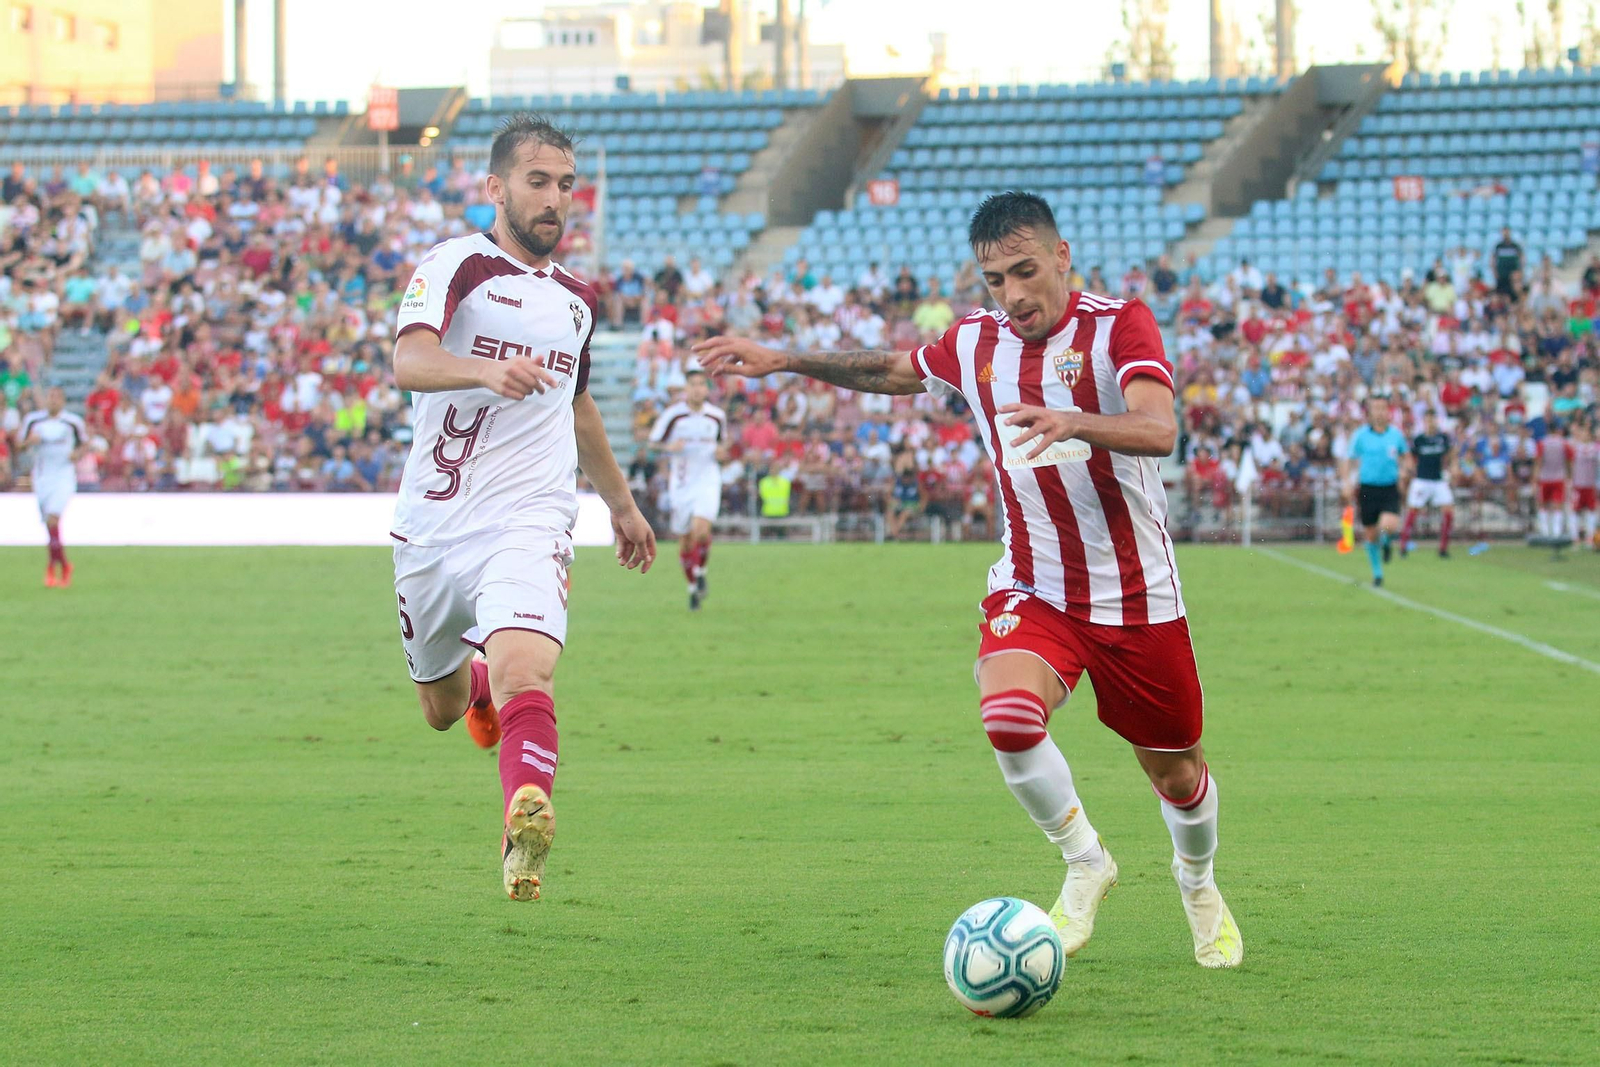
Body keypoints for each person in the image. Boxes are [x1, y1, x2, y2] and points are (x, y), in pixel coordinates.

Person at [694, 191, 1242, 969]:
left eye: (1025, 271)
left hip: (1136, 594)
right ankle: (1086, 860)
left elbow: (1159, 428)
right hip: (1034, 584)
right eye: (994, 279)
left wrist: (1075, 421)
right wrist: (783, 357)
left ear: (1061, 258)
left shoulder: (1119, 324)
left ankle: (1197, 880)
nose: (1013, 294)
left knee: (1178, 770)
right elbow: (891, 369)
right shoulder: (975, 342)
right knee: (1010, 717)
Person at [389, 113, 657, 902]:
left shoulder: (579, 299)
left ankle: (522, 821)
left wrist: (623, 505)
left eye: (566, 185)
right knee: (441, 709)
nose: (554, 199)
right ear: (496, 187)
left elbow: (579, 408)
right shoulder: (456, 264)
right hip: (434, 526)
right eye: (537, 181)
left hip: (531, 520)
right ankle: (471, 691)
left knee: (525, 667)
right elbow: (408, 359)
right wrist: (484, 370)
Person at [649, 367, 727, 610]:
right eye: (692, 385)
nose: (697, 389)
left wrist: (722, 453)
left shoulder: (716, 417)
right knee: (685, 541)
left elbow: (723, 445)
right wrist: (668, 448)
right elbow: (652, 443)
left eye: (701, 385)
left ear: (706, 389)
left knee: (701, 530)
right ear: (686, 389)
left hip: (707, 479)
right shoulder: (674, 416)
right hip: (682, 483)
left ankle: (701, 570)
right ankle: (693, 587)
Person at [21, 388, 88, 587]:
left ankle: (52, 567)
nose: (53, 401)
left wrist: (77, 454)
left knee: (53, 518)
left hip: (63, 476)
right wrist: (29, 442)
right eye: (50, 397)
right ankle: (64, 564)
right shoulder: (34, 421)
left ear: (63, 401)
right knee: (49, 525)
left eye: (57, 398)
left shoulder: (72, 422)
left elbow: (84, 444)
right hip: (42, 476)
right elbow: (20, 445)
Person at [1341, 397, 1410, 587]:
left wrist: (1404, 470)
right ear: (1370, 413)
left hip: (1389, 487)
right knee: (1371, 533)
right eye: (1376, 408)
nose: (1380, 412)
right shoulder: (1361, 435)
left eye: (1383, 408)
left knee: (1389, 524)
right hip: (1368, 488)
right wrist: (1346, 482)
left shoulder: (1396, 435)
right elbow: (1349, 459)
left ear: (1388, 411)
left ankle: (1387, 542)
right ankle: (1377, 573)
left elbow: (1406, 457)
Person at [1400, 409, 1456, 558]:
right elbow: (1410, 457)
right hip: (1422, 479)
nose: (1430, 423)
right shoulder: (1419, 440)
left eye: (1433, 419)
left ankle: (1443, 548)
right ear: (1424, 422)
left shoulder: (1442, 438)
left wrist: (1451, 466)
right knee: (1413, 511)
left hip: (1438, 480)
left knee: (1449, 511)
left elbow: (1450, 453)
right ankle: (1403, 545)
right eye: (1428, 420)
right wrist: (1409, 470)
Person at [1533, 426, 1574, 540]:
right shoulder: (1563, 443)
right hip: (1559, 477)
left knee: (1543, 504)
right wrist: (1570, 476)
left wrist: (1535, 479)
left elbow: (1538, 461)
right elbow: (1569, 460)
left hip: (1545, 477)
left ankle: (1545, 532)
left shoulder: (1542, 443)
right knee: (1558, 504)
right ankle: (1556, 532)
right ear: (1557, 430)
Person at [1570, 422, 1598, 548]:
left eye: (1586, 433)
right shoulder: (1574, 447)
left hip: (1590, 484)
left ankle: (1590, 538)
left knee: (1591, 511)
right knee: (1575, 511)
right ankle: (1575, 538)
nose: (1584, 435)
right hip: (1578, 484)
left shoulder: (1595, 448)